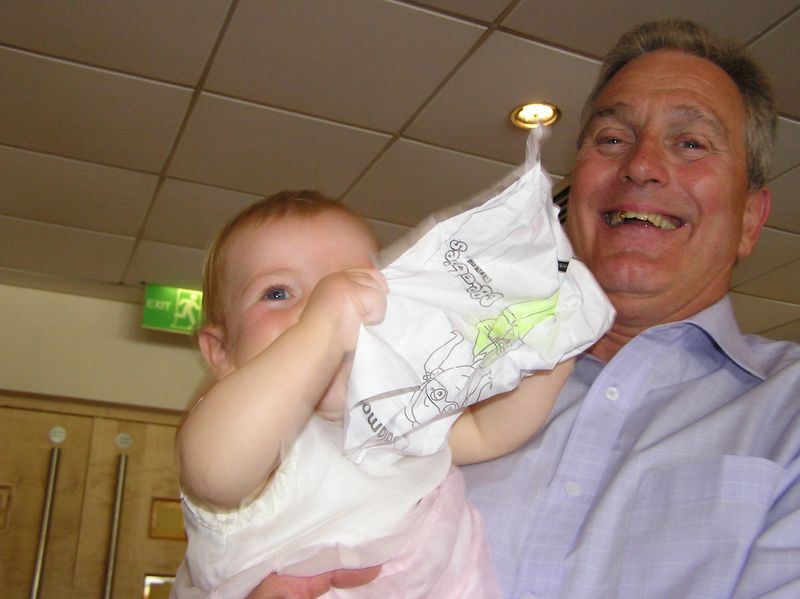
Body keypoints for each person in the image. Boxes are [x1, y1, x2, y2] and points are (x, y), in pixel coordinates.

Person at [249, 18, 800, 599]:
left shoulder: (786, 414)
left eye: (690, 143)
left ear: (750, 219)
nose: (640, 165)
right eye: (612, 139)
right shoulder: (433, 369)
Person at [171, 190, 576, 598]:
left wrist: (553, 340)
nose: (331, 303)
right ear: (221, 353)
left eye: (356, 284)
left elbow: (490, 432)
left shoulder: (398, 412)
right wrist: (322, 329)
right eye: (278, 293)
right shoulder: (254, 449)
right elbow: (215, 472)